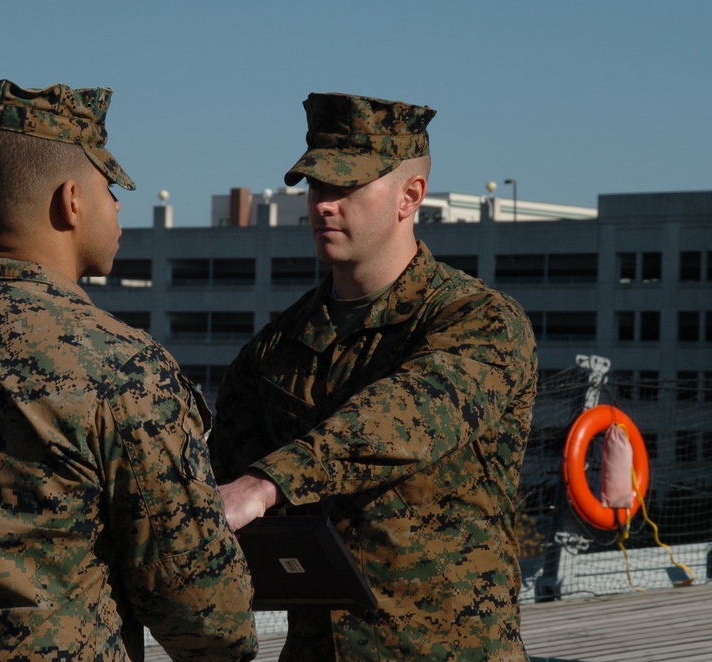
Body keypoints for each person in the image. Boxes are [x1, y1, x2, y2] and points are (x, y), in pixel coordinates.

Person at [0, 80, 257, 661]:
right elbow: (204, 613)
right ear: (71, 200)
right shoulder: (120, 366)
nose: (118, 207)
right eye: (109, 189)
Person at [210, 92, 538, 660]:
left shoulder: (480, 321)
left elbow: (407, 417)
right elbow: (217, 486)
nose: (323, 206)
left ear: (411, 196)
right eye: (316, 187)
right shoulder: (276, 348)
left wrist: (267, 484)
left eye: (345, 188)